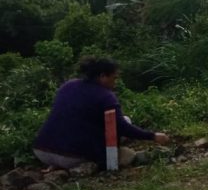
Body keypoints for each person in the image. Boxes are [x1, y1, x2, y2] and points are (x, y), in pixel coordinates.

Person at [33, 57, 169, 170]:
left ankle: (56, 165)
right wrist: (153, 136)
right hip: (71, 156)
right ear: (103, 76)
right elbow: (122, 127)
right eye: (114, 78)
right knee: (125, 121)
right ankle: (109, 163)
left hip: (42, 151)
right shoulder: (105, 96)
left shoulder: (68, 85)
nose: (115, 83)